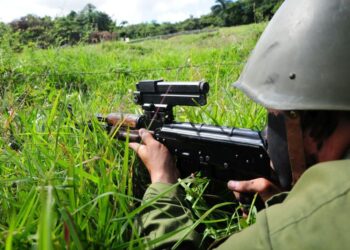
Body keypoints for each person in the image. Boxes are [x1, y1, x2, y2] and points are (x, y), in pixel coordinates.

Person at [129, 0, 350, 249]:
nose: (267, 136)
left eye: (273, 115)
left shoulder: (277, 237)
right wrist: (289, 204)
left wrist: (162, 181)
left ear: (299, 114)